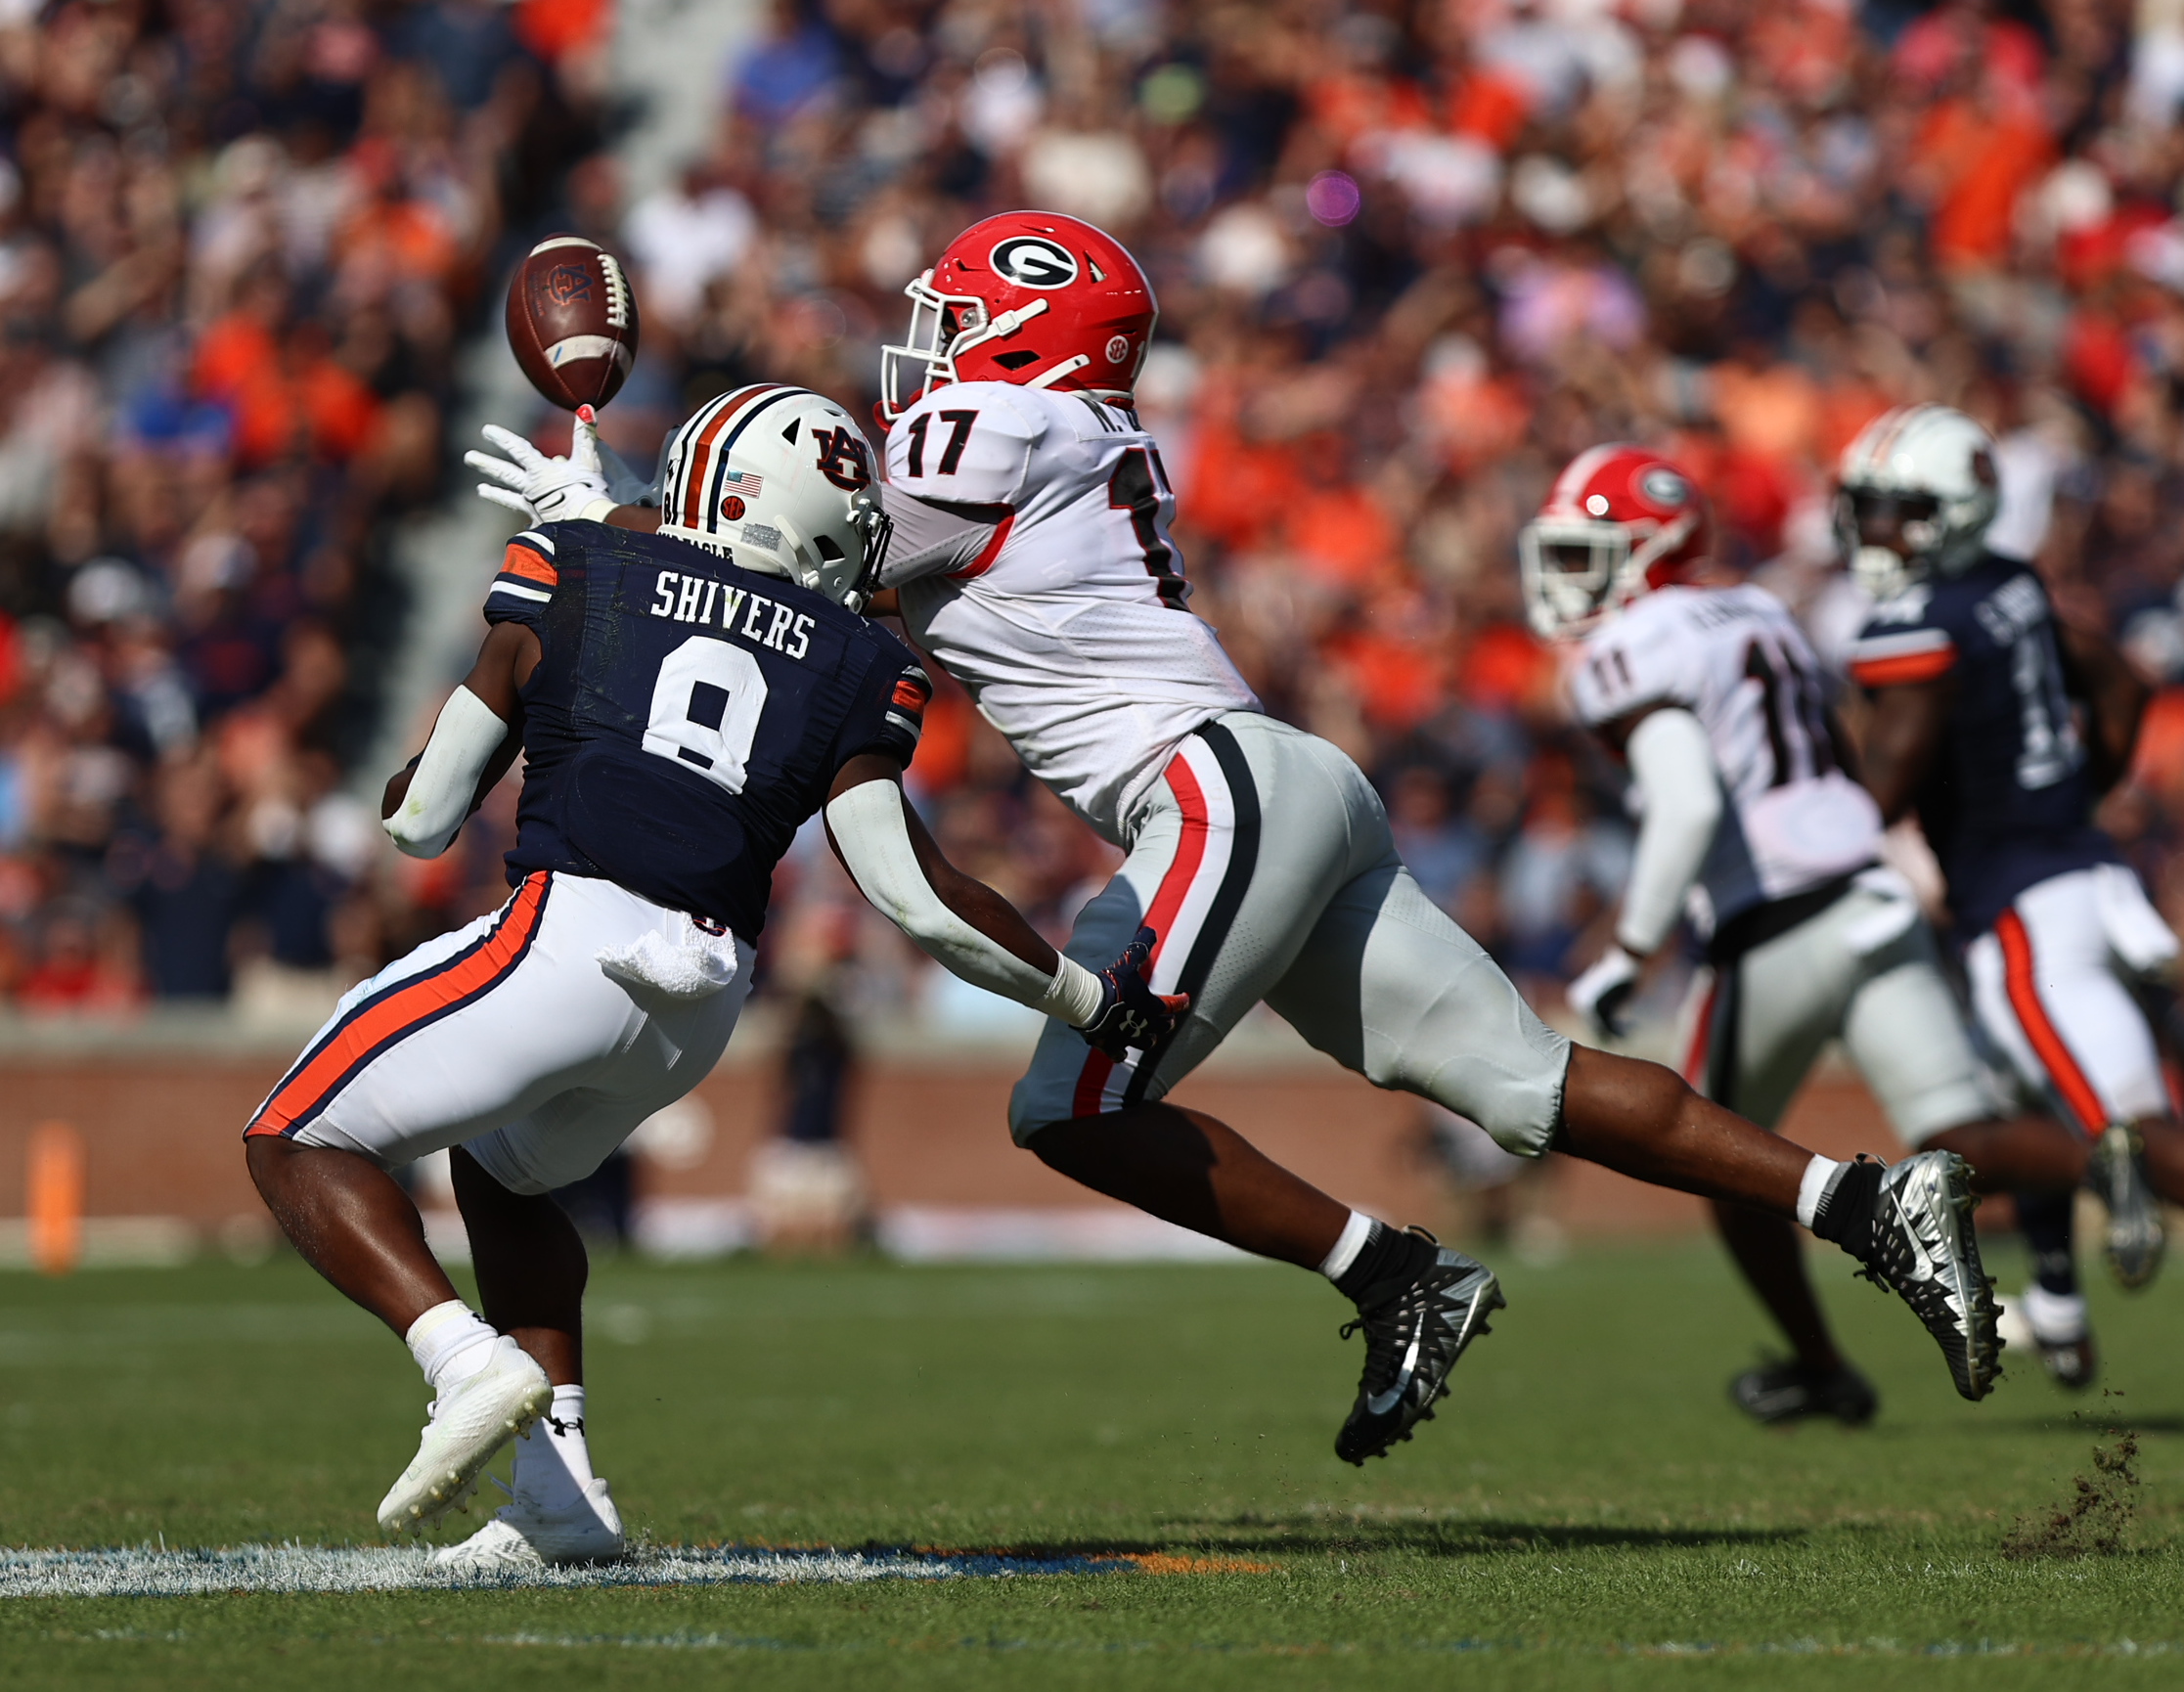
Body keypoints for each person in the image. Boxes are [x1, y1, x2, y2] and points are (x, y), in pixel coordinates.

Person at [477, 211, 2005, 1476]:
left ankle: (1397, 1274)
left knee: (1073, 1101)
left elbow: (791, 560)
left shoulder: (991, 418)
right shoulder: (1063, 428)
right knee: (1528, 1084)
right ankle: (1864, 1199)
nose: (925, 350)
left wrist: (602, 528)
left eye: (953, 318)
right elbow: (809, 584)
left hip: (1209, 787)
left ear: (1023, 334)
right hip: (1280, 780)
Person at [245, 385, 1183, 1569]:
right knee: (504, 1169)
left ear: (712, 481)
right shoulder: (861, 659)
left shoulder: (572, 564)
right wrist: (1090, 998)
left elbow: (423, 822)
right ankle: (559, 1492)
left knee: (291, 1135)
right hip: (704, 998)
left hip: (569, 932)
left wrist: (576, 553)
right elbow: (916, 896)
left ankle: (465, 1361)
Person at [1533, 444, 2090, 1418]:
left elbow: (1688, 802)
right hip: (1867, 889)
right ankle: (2132, 1157)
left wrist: (1628, 950)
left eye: (1590, 552)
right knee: (1962, 1135)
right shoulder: (1755, 606)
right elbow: (1836, 744)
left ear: (1650, 548)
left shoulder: (1628, 646)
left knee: (1711, 1150)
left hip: (1771, 919)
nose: (1569, 578)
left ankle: (1823, 1365)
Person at [1841, 403, 2184, 1385]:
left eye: (1898, 511)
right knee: (2009, 1098)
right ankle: (2060, 1308)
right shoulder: (2007, 583)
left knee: (2121, 1141)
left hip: (2027, 912)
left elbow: (1889, 781)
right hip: (2084, 873)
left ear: (1953, 509)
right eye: (1866, 509)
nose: (1876, 531)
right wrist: (2073, 799)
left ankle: (2064, 1291)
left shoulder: (1919, 622)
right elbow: (2117, 681)